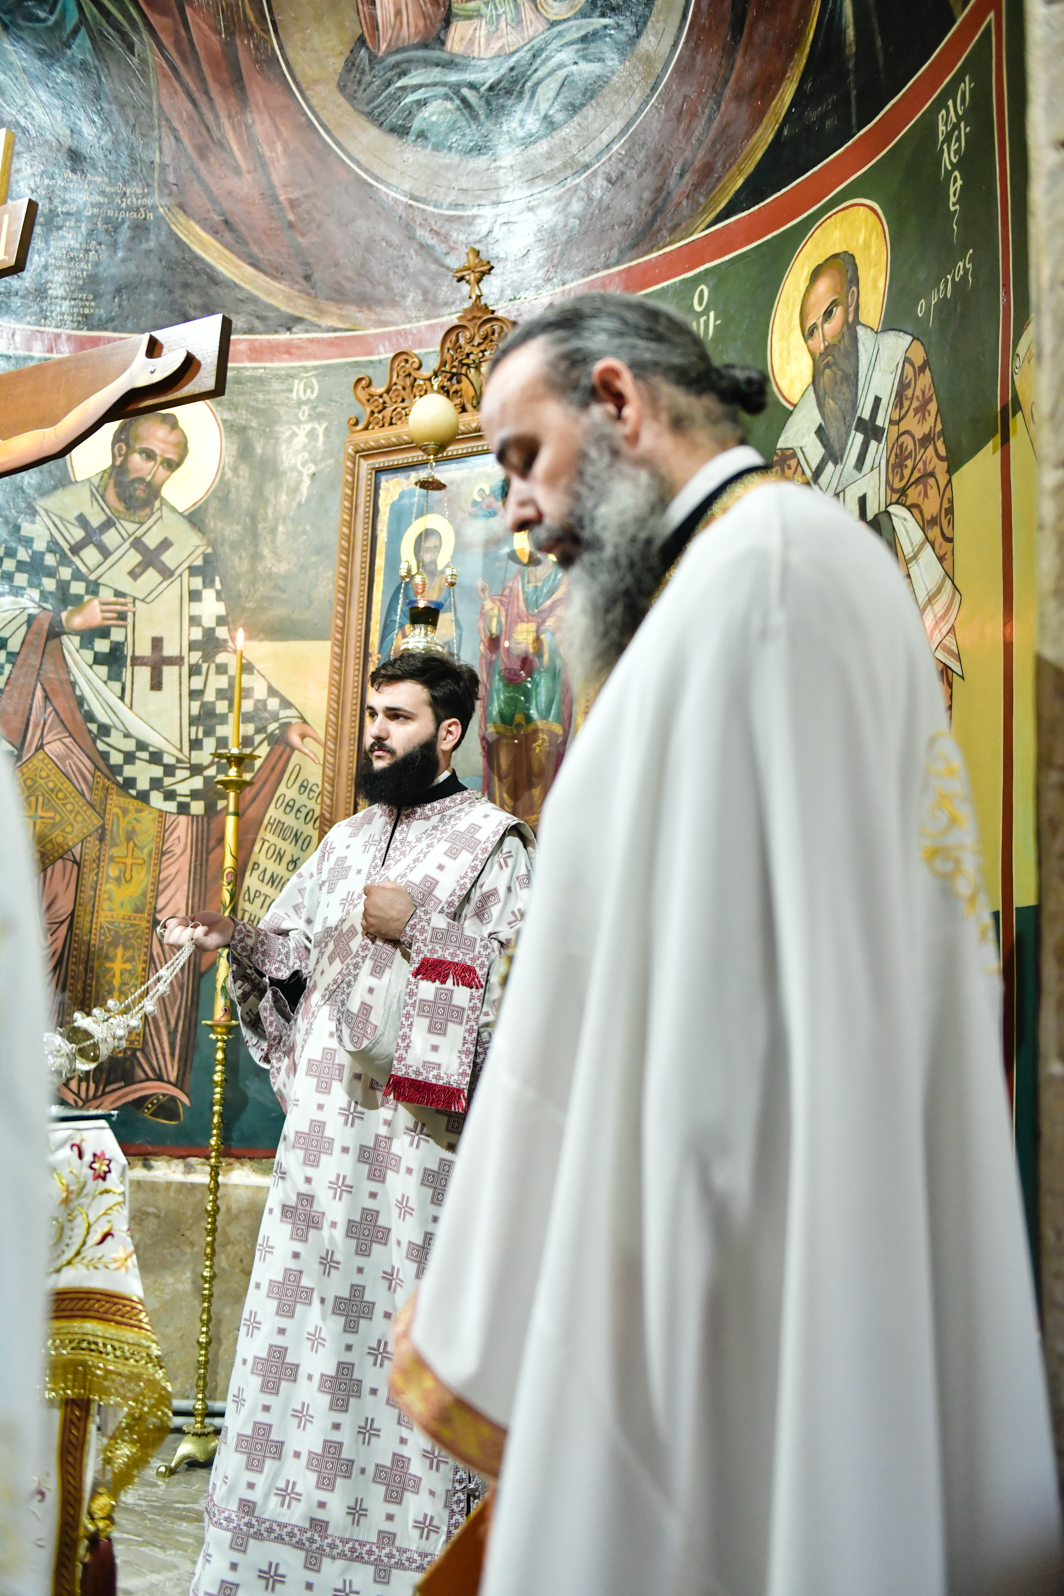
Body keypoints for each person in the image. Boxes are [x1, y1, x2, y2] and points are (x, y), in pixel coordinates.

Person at [390, 293, 1062, 1595]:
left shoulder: (765, 580)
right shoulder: (748, 573)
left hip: (739, 1265)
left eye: (523, 458)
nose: (514, 511)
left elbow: (743, 1011)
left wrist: (617, 1280)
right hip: (719, 1228)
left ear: (617, 402)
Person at [164, 651, 534, 1595]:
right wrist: (239, 938)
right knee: (304, 1343)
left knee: (396, 1347)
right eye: (372, 713)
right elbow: (297, 963)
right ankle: (274, 1561)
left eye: (397, 717)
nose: (376, 731)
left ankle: (410, 1568)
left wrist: (424, 931)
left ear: (448, 733)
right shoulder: (342, 841)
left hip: (414, 1157)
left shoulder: (495, 845)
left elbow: (523, 994)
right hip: (323, 1148)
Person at [0, 410, 321, 1119]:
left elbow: (214, 655)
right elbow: (4, 608)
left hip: (161, 757)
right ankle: (29, 1065)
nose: (154, 474)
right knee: (55, 895)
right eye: (145, 456)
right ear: (117, 448)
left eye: (169, 464)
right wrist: (66, 619)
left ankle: (140, 1075)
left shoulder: (185, 547)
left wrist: (279, 717)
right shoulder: (49, 521)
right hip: (69, 727)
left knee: (157, 903)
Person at [773, 250, 962, 702]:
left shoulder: (901, 366)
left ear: (854, 301)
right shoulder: (793, 444)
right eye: (811, 332)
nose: (823, 343)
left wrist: (869, 535)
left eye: (830, 315)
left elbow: (928, 498)